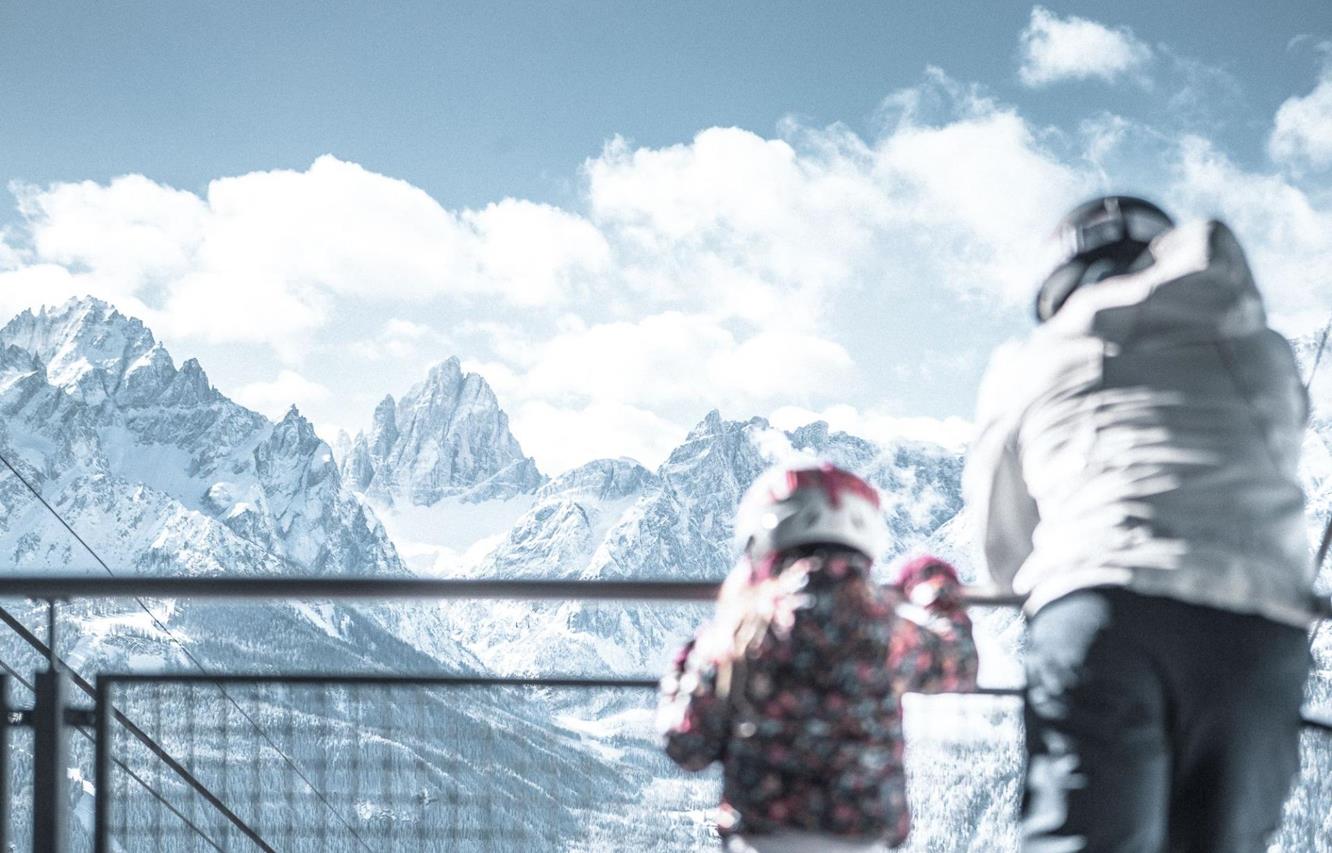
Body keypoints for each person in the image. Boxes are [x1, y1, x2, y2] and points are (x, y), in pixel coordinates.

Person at [964, 196, 1315, 852]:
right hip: (1258, 623)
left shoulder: (1032, 359)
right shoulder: (1264, 350)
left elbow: (1003, 543)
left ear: (1058, 283)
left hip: (1103, 608)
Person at [659, 462, 978, 852]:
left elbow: (687, 747)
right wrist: (931, 580)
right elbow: (959, 662)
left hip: (762, 838)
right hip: (863, 837)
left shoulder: (739, 631)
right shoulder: (891, 631)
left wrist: (688, 658)